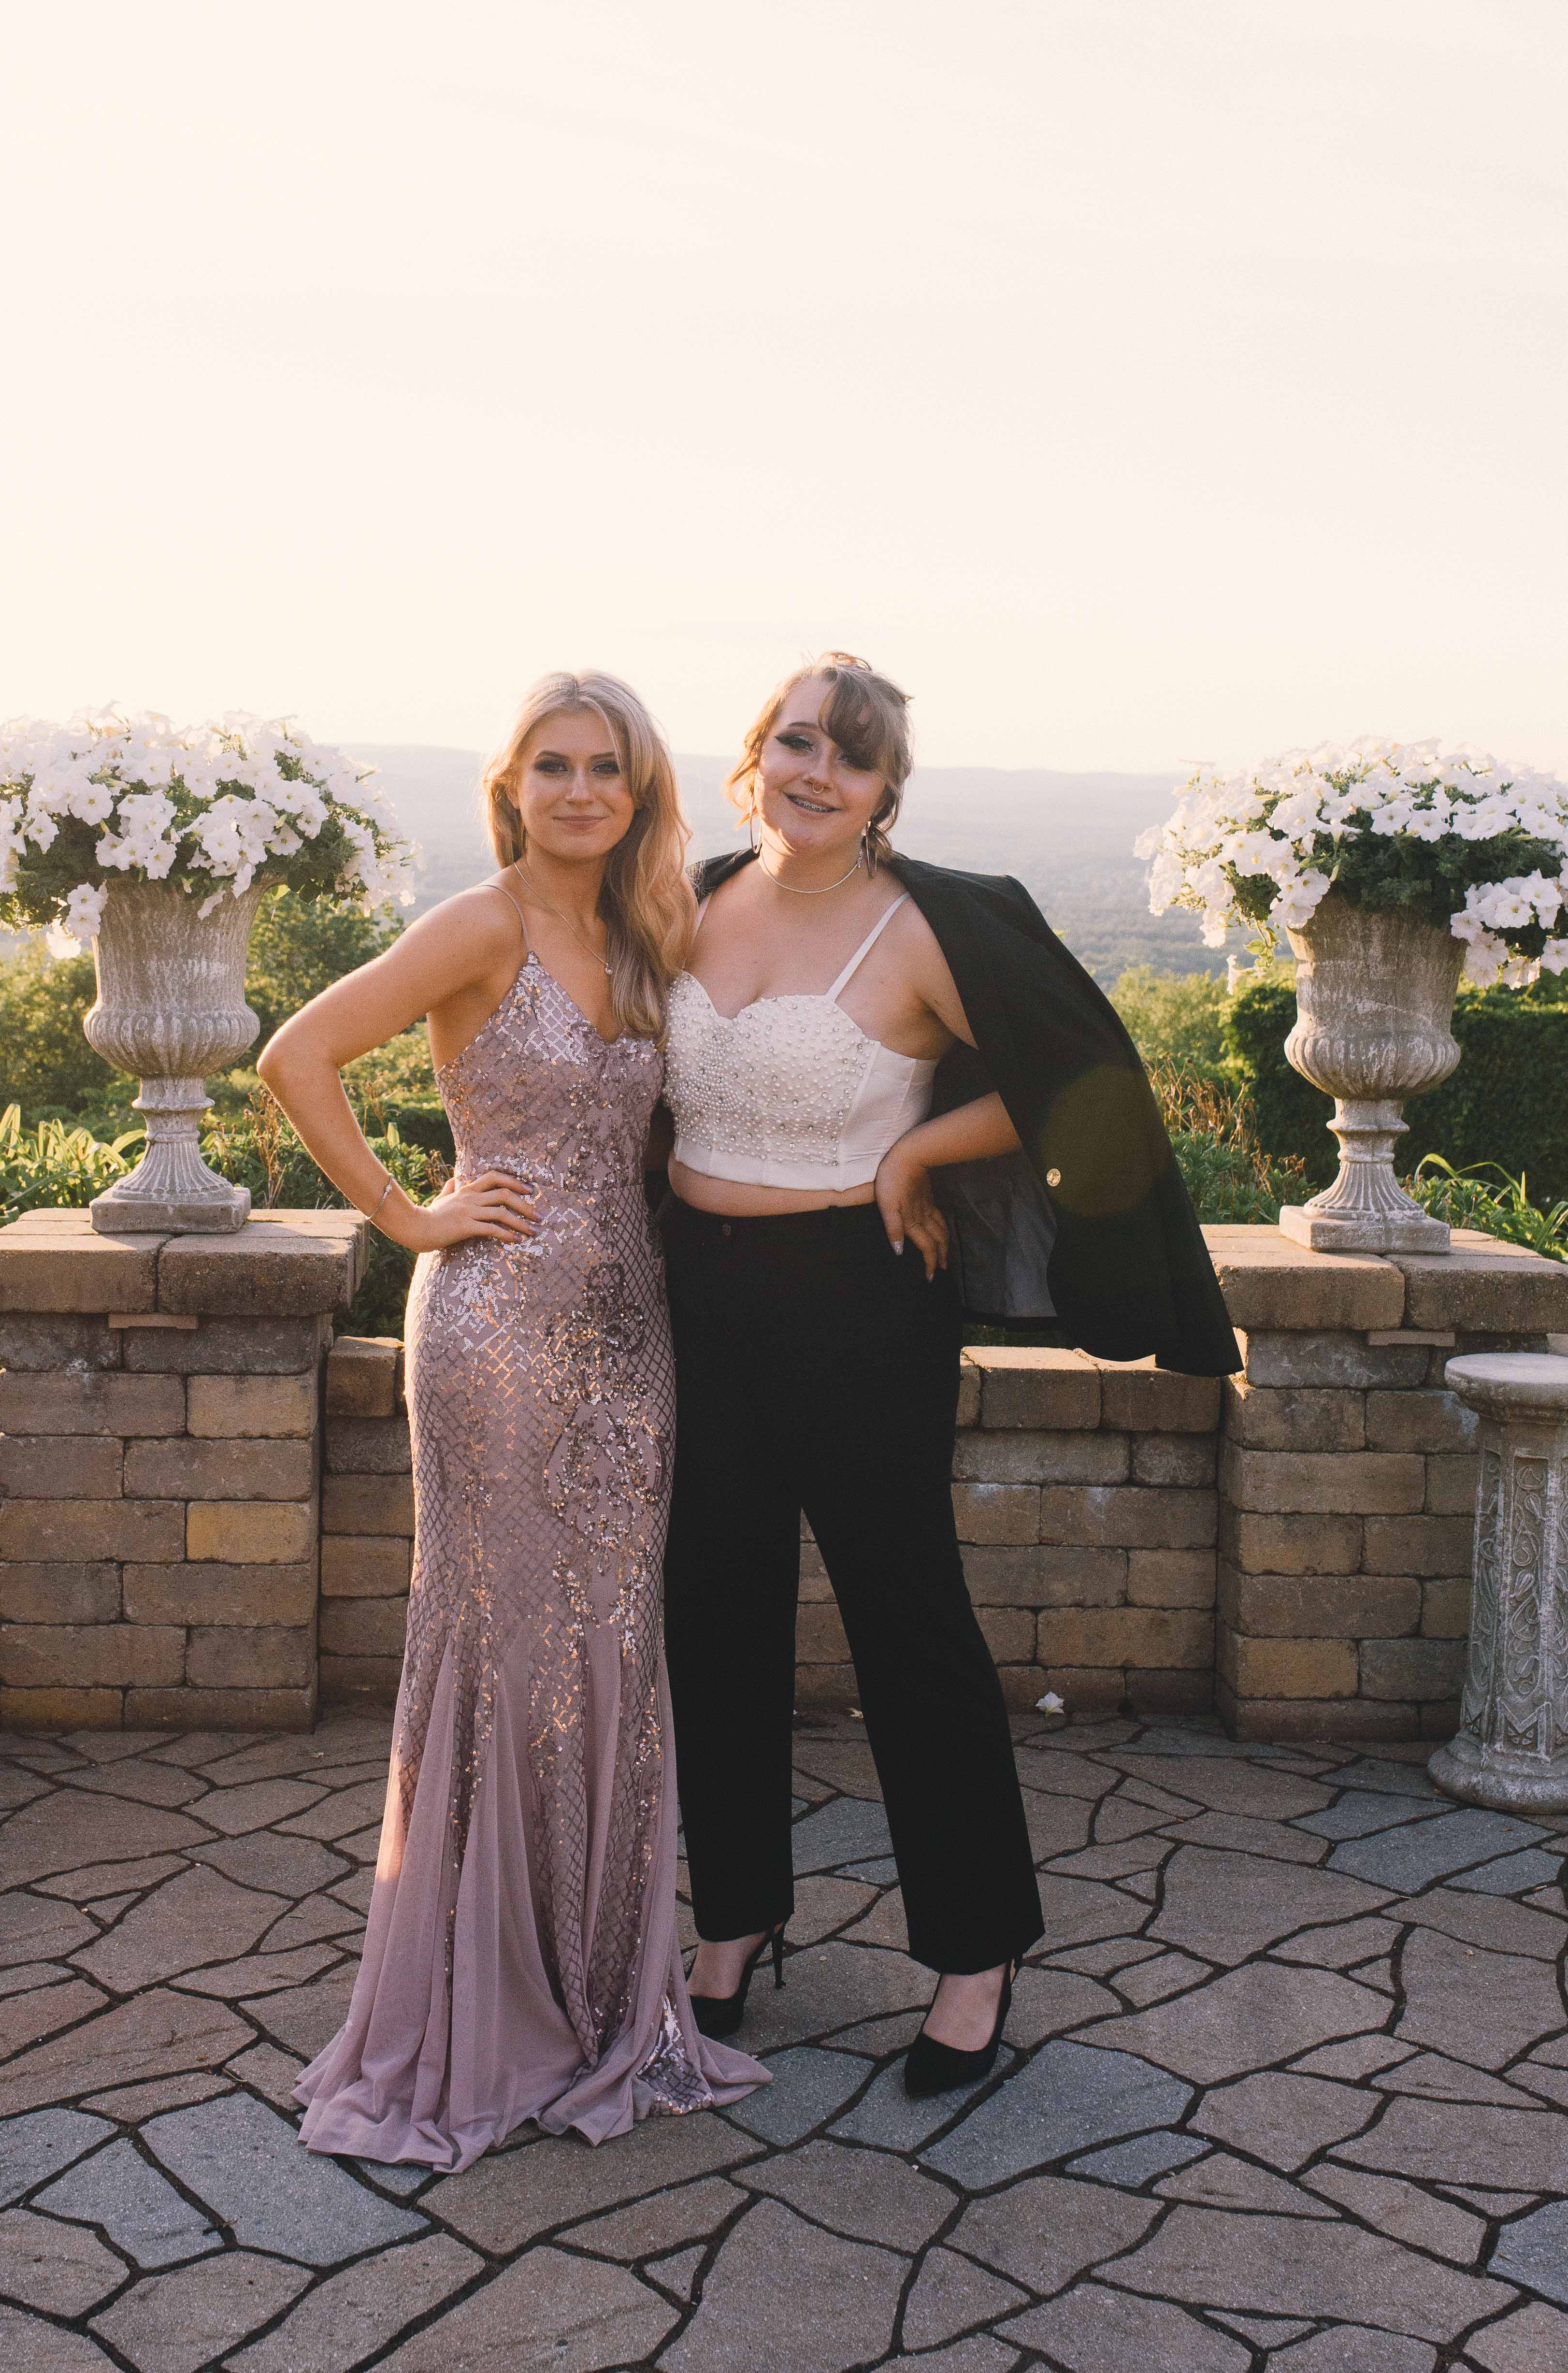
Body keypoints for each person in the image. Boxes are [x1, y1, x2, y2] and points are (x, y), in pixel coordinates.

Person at [660, 654, 1239, 2097]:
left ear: (884, 791)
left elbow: (1086, 1083)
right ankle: (734, 1920)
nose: (818, 772)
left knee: (907, 1627)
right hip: (696, 1303)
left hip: (857, 1306)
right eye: (799, 741)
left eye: (851, 758)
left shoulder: (933, 925)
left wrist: (915, 1150)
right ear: (754, 752)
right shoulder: (687, 897)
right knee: (710, 1617)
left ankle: (976, 1956)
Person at [260, 670, 768, 2170]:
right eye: (553, 766)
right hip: (494, 1333)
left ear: (638, 790)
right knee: (501, 1642)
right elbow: (297, 1054)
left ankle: (596, 1984)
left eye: (606, 767)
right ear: (512, 786)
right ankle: (480, 1997)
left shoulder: (651, 927)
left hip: (630, 1335)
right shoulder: (478, 924)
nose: (580, 791)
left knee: (609, 1642)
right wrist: (407, 1213)